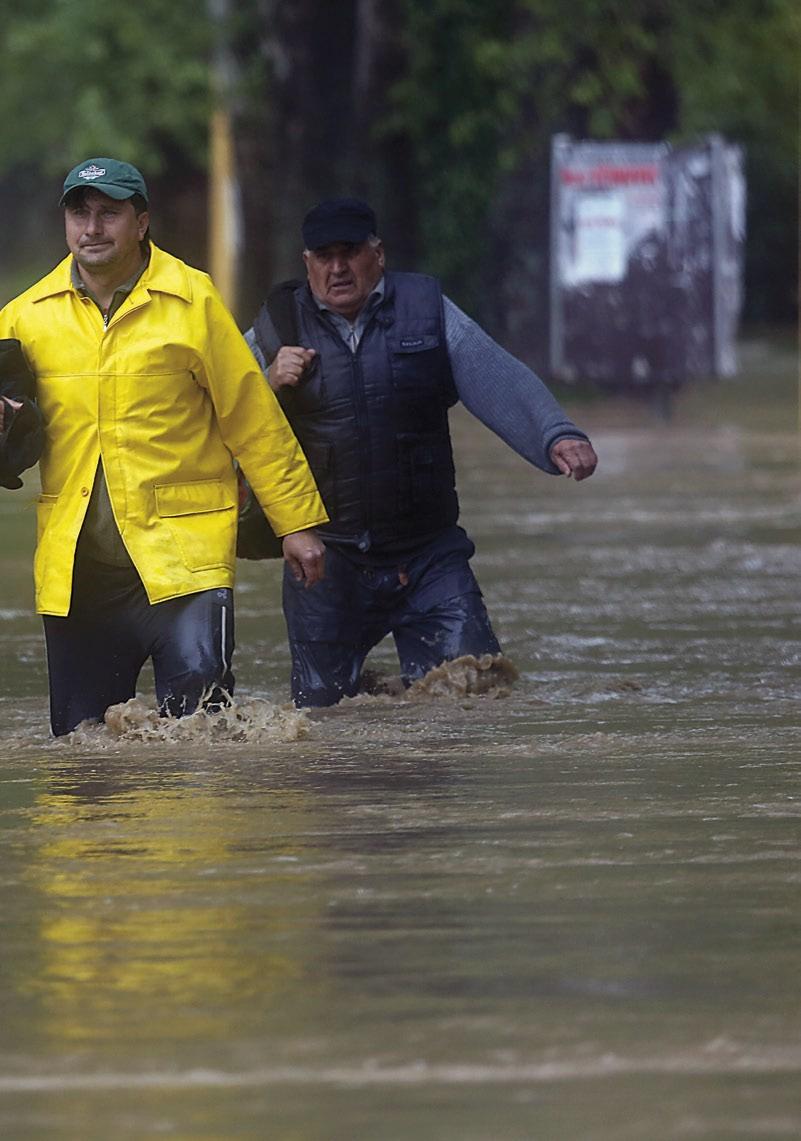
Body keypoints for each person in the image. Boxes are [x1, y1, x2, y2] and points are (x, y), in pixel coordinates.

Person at [0, 157, 328, 736]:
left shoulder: (191, 299)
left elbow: (251, 418)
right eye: (80, 214)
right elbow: (14, 445)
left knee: (200, 741)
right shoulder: (24, 317)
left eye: (109, 214)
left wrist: (295, 522)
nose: (92, 228)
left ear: (142, 221)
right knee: (82, 754)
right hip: (80, 572)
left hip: (186, 564)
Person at [245, 196, 598, 707]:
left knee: (475, 696)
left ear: (378, 254)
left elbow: (494, 373)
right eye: (324, 256)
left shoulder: (427, 309)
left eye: (350, 252)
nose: (337, 268)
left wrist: (556, 434)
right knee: (321, 725)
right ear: (307, 263)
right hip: (326, 559)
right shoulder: (278, 326)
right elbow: (221, 415)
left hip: (429, 557)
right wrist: (267, 383)